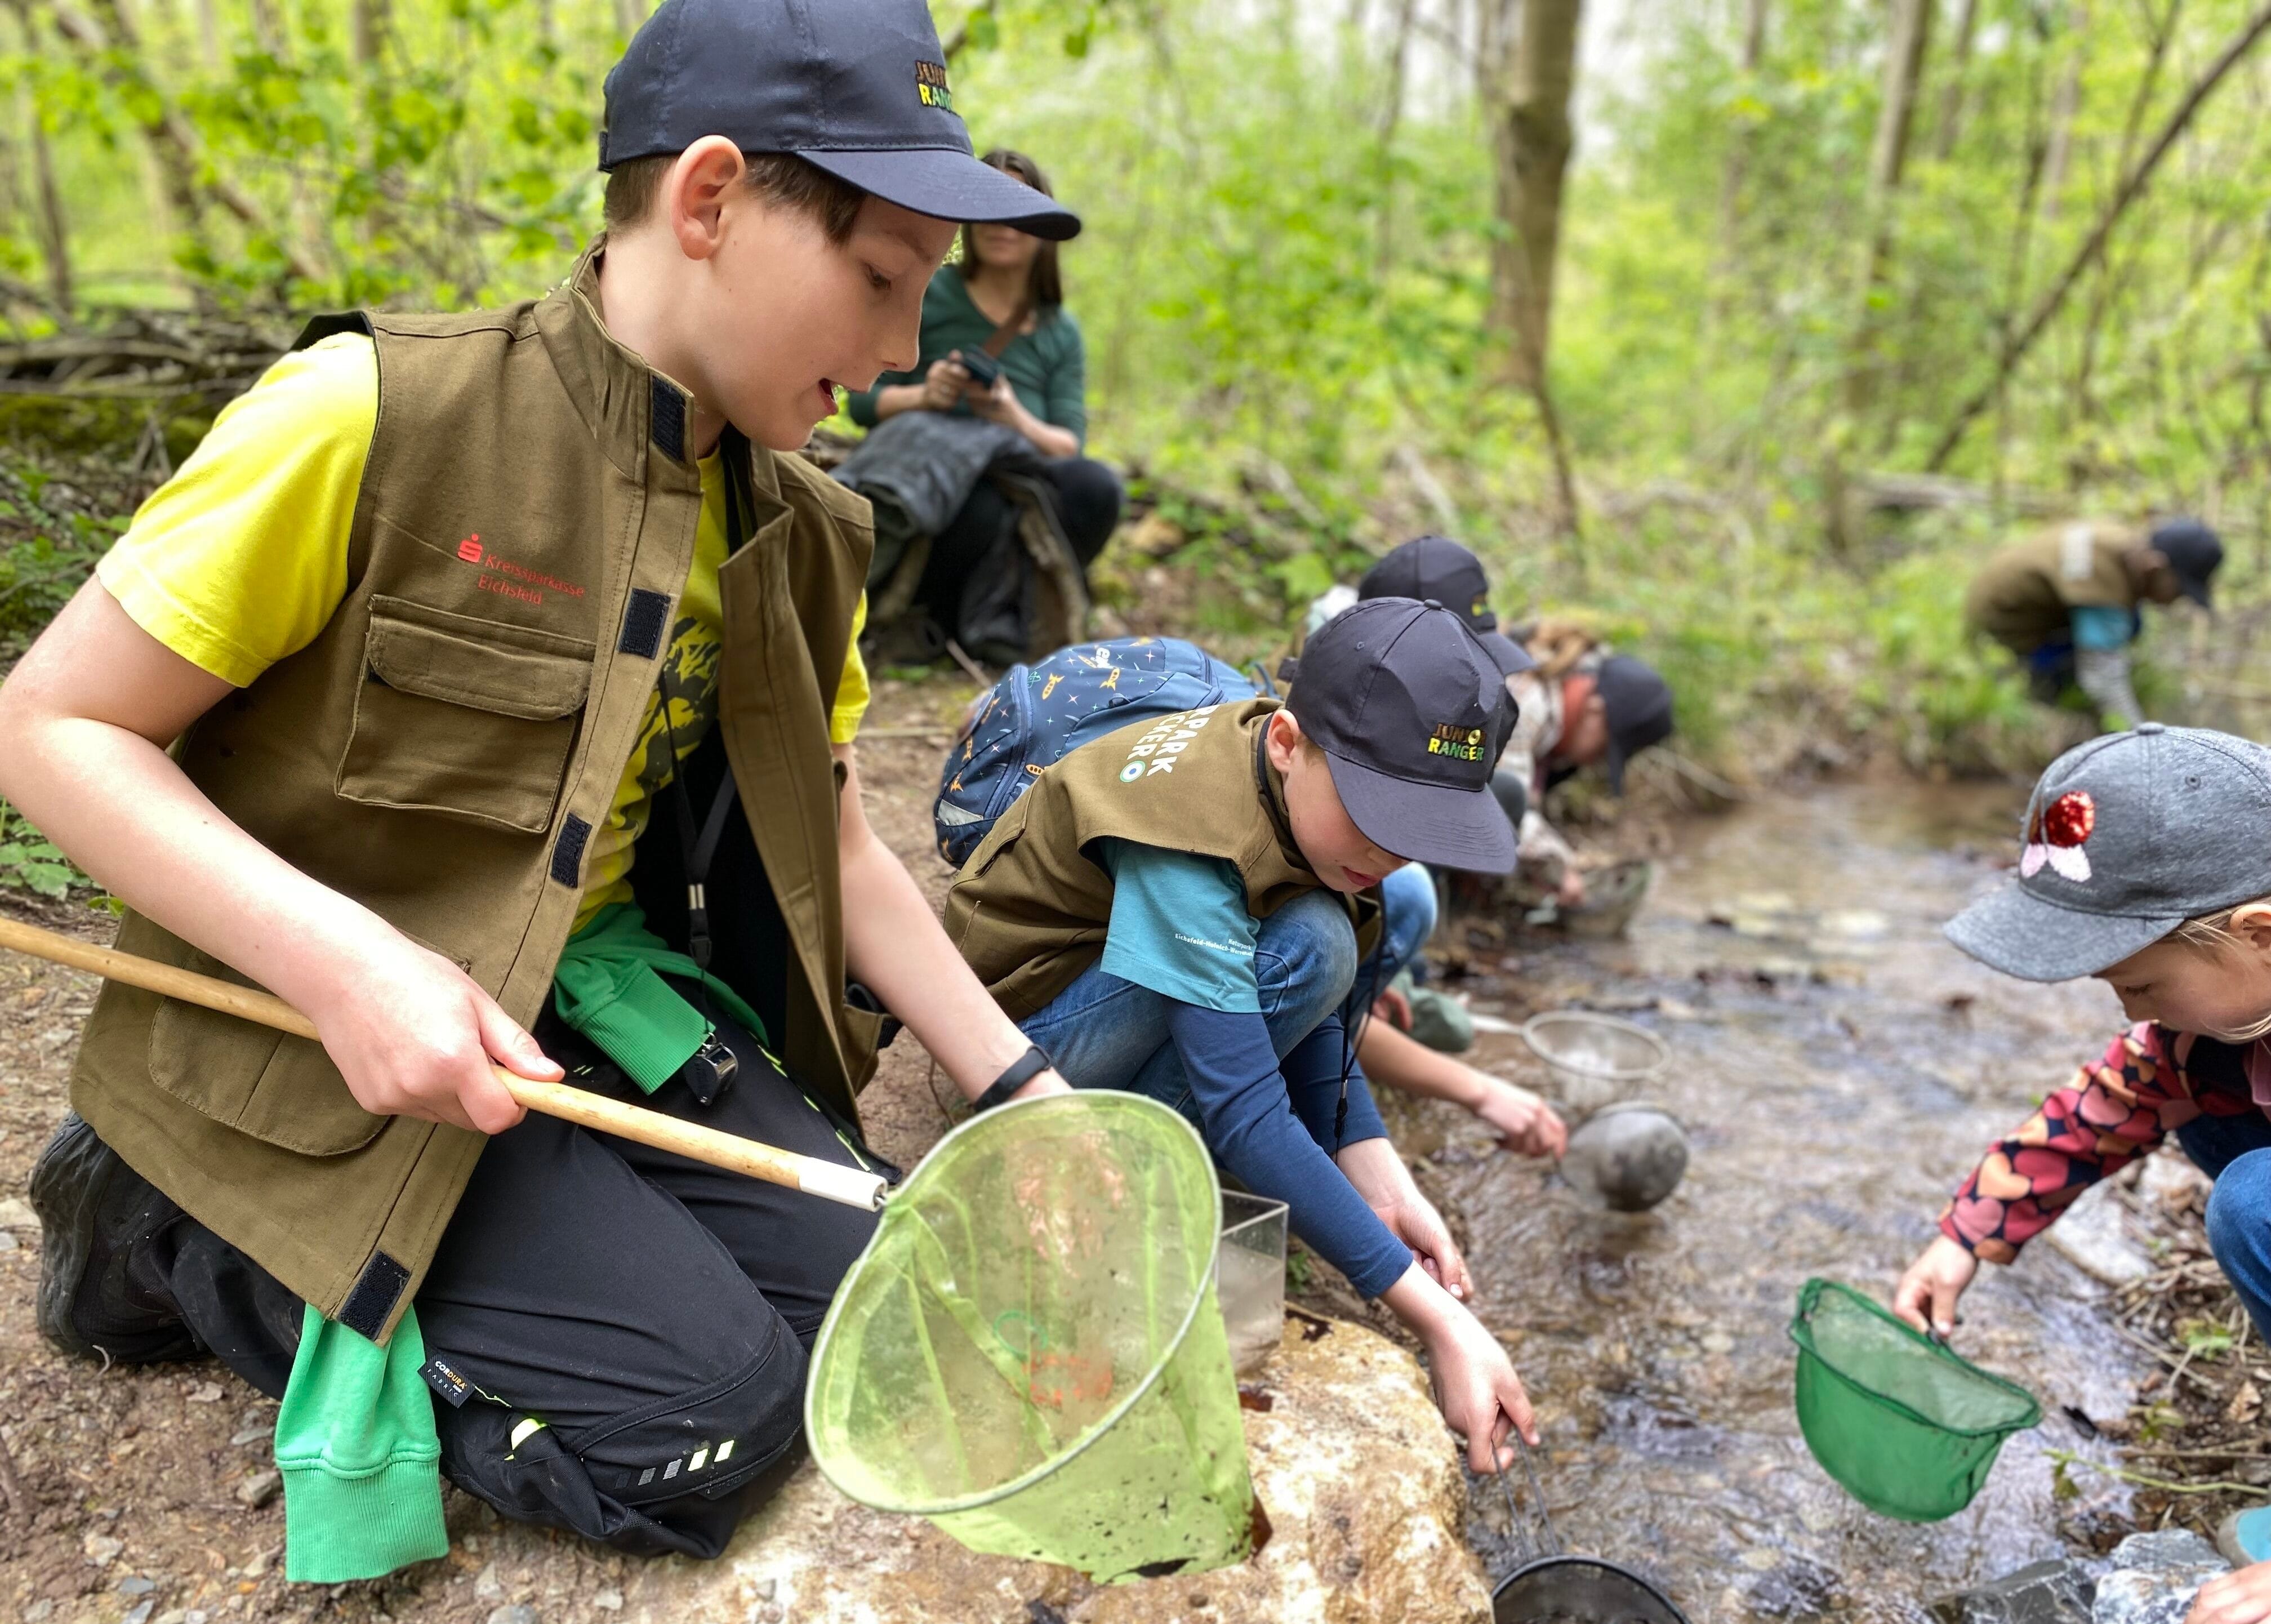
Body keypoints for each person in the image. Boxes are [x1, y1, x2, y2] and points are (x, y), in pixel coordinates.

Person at [0, 0, 1087, 1583]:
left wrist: (1023, 1096)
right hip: (309, 1030)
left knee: (888, 1298)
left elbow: (841, 831)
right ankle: (165, 1220)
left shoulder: (808, 533)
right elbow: (49, 728)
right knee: (710, 1422)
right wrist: (351, 967)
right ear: (710, 199)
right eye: (882, 273)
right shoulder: (372, 419)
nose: (907, 347)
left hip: (574, 1013)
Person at [943, 598, 1542, 1472]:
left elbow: (1326, 1023)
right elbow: (1246, 1110)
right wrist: (1440, 1317)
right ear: (1288, 742)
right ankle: (1094, 1162)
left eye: (1417, 830)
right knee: (1314, 941)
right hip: (1018, 1036)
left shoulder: (1315, 808)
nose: (1388, 852)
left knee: (1319, 939)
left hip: (1106, 998)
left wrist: (1379, 1168)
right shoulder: (1190, 824)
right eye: (1376, 813)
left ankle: (1152, 1150)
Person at [1888, 724, 2271, 1605]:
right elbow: (2109, 1103)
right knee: (2193, 1098)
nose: (2124, 1003)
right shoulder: (2212, 1025)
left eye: (2139, 982)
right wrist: (1966, 1234)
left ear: (2259, 934)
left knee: (2253, 1200)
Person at [842, 149, 1121, 659]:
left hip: (1023, 471)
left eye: (1017, 206)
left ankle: (1027, 610)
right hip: (937, 473)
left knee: (1099, 487)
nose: (1002, 224)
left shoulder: (1059, 328)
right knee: (979, 505)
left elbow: (1068, 444)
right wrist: (927, 394)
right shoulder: (930, 293)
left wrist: (1011, 414)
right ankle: (943, 623)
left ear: (1042, 225)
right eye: (987, 205)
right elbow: (861, 403)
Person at [1963, 517, 2222, 732]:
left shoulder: (2122, 544)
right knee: (2112, 646)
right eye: (2179, 589)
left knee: (2131, 624)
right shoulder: (2103, 579)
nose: (2177, 600)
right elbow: (2102, 678)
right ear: (2156, 566)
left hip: (2005, 602)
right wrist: (2141, 739)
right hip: (2001, 625)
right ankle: (2041, 694)